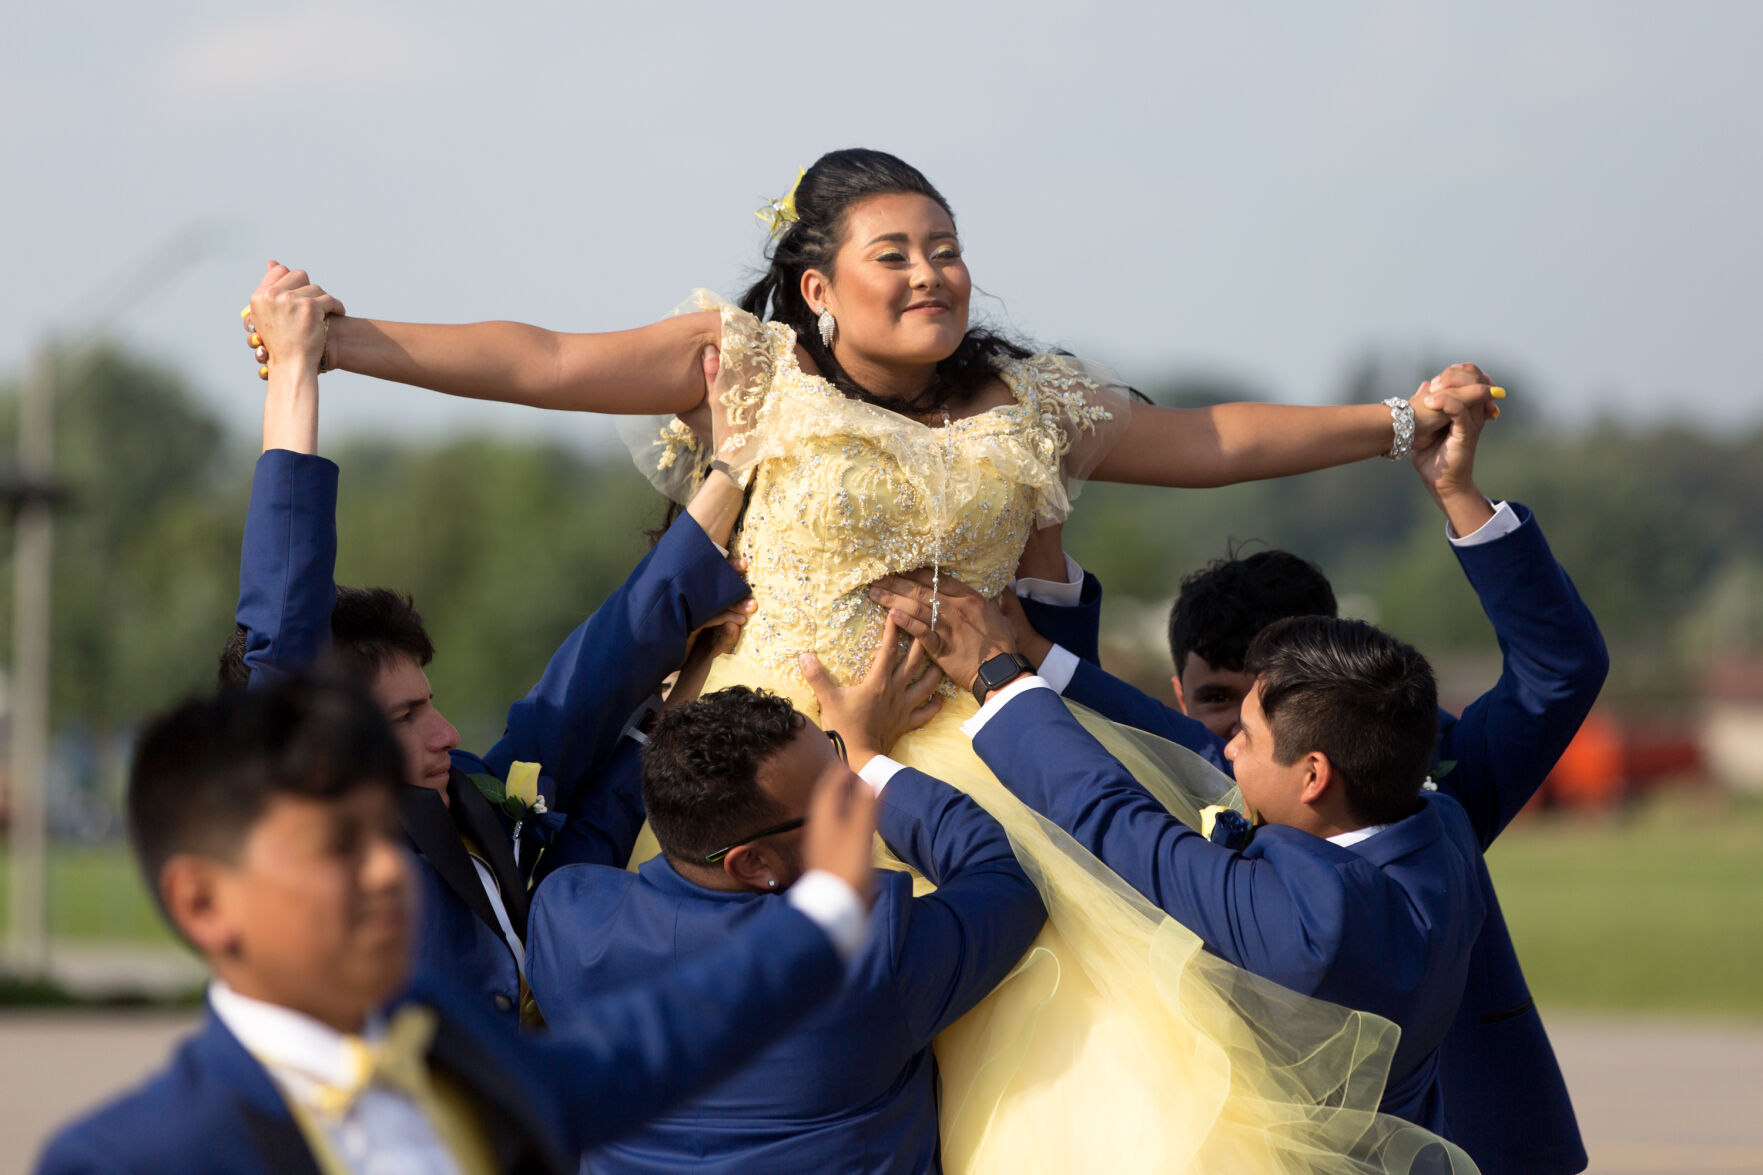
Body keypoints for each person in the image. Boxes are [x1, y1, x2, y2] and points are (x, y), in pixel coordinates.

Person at [250, 148, 1497, 1172]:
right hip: (766, 763)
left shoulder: (1033, 398)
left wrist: (1397, 426)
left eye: (944, 248)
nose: (930, 274)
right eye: (892, 254)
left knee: (1074, 1072)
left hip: (975, 764)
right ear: (813, 288)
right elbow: (537, 359)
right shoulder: (737, 368)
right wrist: (336, 343)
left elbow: (1211, 438)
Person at [1009, 387, 1605, 1173]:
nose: (1231, 738)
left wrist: (1457, 493)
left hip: (1473, 1142)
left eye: (1270, 701)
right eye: (1217, 703)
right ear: (1179, 695)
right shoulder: (1166, 769)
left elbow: (1559, 669)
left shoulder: (1426, 778)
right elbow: (1083, 732)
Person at [34, 676, 878, 1175]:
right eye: (336, 847)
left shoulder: (439, 1036)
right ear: (203, 903)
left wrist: (826, 913)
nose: (383, 872)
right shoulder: (130, 1157)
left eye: (381, 833)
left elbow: (641, 1048)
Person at [225, 266, 756, 1024]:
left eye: (428, 704)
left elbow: (577, 697)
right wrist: (294, 370)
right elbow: (283, 600)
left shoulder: (471, 804)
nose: (442, 732)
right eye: (401, 718)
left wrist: (732, 472)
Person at [880, 563, 1487, 1144]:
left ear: (1313, 776)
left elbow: (1115, 819)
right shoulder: (1438, 826)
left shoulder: (1315, 927)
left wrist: (996, 676)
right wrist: (1043, 659)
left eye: (1244, 735)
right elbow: (1192, 747)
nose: (1227, 752)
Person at [527, 626, 1044, 1173]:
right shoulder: (867, 955)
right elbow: (1005, 879)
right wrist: (868, 759)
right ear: (753, 863)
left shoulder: (565, 919)